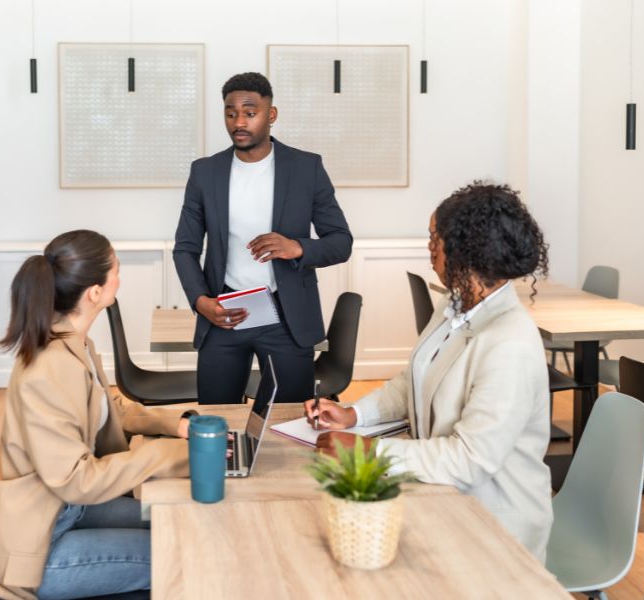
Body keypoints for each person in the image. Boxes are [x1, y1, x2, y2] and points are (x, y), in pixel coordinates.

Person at [305, 182, 554, 562]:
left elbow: (468, 461)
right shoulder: (454, 306)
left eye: (435, 238)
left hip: (494, 530)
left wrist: (369, 451)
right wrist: (354, 414)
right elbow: (414, 381)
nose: (429, 248)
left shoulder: (510, 344)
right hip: (440, 496)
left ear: (467, 249)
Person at [0, 230, 196, 600]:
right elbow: (77, 480)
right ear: (95, 292)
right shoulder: (48, 371)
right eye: (117, 270)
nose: (119, 279)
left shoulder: (73, 343)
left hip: (64, 511)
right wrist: (164, 455)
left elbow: (108, 410)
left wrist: (173, 424)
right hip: (41, 548)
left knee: (182, 524)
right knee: (183, 553)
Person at [174, 72, 352, 404]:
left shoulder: (306, 168)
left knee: (287, 425)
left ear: (271, 115)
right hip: (223, 313)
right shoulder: (205, 172)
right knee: (217, 420)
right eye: (230, 113)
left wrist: (296, 247)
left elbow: (341, 241)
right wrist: (201, 303)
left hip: (287, 317)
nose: (239, 121)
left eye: (250, 112)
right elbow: (185, 248)